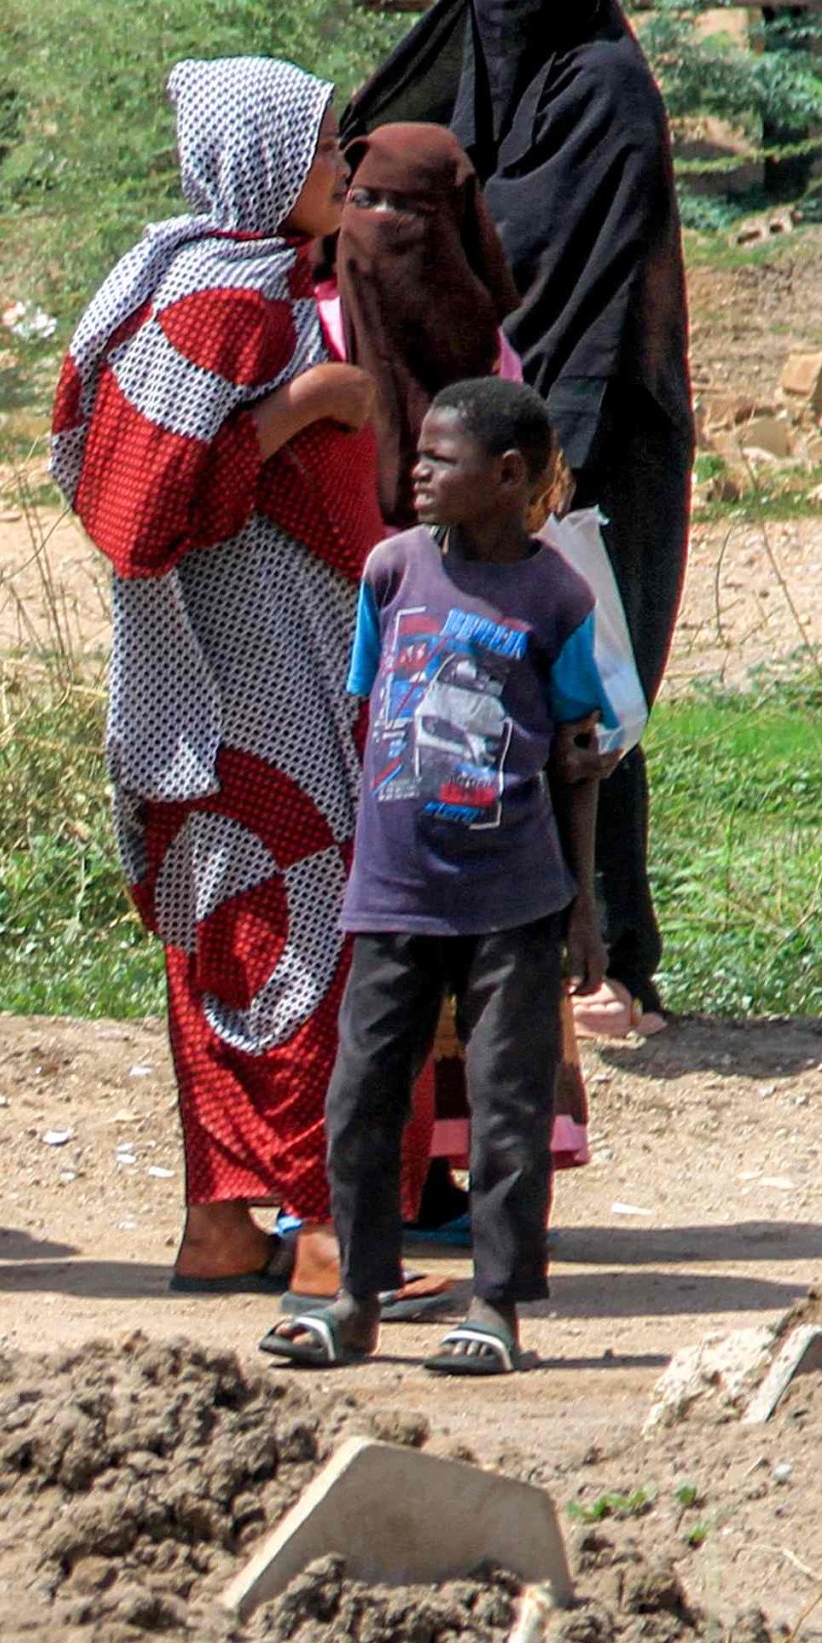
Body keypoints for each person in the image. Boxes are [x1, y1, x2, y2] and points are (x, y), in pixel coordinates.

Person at [52, 57, 380, 1300]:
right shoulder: (223, 301)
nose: (340, 169)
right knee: (298, 935)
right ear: (261, 166)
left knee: (228, 937)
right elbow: (136, 508)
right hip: (247, 683)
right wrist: (302, 407)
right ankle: (322, 1228)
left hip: (228, 686)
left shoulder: (211, 277)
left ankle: (223, 1226)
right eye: (322, 148)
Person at [348, 0, 690, 1030]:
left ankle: (614, 950)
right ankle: (499, 954)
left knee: (595, 693)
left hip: (600, 440)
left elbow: (594, 287)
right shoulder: (470, 86)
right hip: (484, 444)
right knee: (475, 698)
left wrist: (549, 459)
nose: (502, 3)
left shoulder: (610, 95)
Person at [263, 378, 614, 1379]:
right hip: (395, 894)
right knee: (364, 1095)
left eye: (439, 459)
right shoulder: (389, 573)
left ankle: (497, 1306)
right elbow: (367, 719)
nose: (414, 470)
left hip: (512, 900)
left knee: (507, 1109)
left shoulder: (557, 598)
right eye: (414, 453)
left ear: (506, 477)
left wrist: (585, 908)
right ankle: (356, 1301)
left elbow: (580, 759)